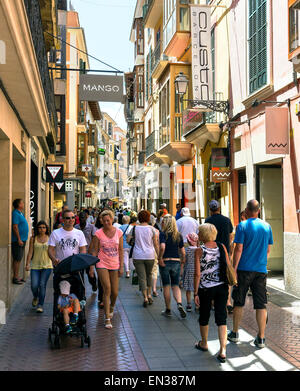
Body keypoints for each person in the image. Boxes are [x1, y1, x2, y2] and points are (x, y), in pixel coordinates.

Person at [228, 200, 273, 349]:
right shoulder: (267, 226)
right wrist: (261, 262)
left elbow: (239, 249)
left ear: (247, 210)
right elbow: (268, 249)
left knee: (239, 301)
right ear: (258, 211)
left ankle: (235, 333)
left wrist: (234, 268)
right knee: (261, 304)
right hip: (261, 270)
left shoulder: (242, 226)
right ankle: (261, 338)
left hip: (244, 269)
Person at [194, 223, 231, 363]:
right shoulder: (222, 247)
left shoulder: (199, 250)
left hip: (205, 288)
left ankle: (204, 343)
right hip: (221, 286)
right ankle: (223, 350)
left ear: (202, 235)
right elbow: (228, 265)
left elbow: (197, 274)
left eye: (199, 233)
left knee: (204, 315)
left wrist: (195, 293)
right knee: (221, 317)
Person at [90, 210, 123, 329]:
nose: (106, 222)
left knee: (115, 292)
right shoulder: (98, 233)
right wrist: (91, 267)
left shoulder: (119, 232)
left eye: (108, 220)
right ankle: (107, 318)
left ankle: (112, 307)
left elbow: (120, 250)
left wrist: (122, 266)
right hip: (101, 262)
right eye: (104, 221)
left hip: (114, 263)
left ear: (112, 220)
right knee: (107, 288)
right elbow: (94, 250)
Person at [128, 210, 159, 307]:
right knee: (149, 275)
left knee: (142, 277)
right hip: (150, 255)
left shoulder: (134, 228)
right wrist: (159, 256)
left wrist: (134, 242)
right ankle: (149, 294)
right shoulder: (152, 229)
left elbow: (128, 240)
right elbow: (155, 244)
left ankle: (145, 297)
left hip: (138, 256)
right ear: (148, 218)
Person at [158, 215, 187, 318]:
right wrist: (183, 261)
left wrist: (160, 257)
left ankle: (168, 309)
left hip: (165, 261)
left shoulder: (162, 234)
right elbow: (183, 251)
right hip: (176, 262)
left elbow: (162, 246)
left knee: (166, 285)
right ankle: (179, 303)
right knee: (175, 285)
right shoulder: (178, 235)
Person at [25, 221, 52, 313]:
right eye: (40, 227)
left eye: (44, 227)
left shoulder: (50, 238)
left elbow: (52, 252)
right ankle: (35, 296)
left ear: (46, 229)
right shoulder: (33, 239)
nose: (42, 229)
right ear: (37, 229)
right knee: (34, 285)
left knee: (42, 284)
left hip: (47, 266)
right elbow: (30, 252)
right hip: (35, 266)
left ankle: (40, 305)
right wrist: (27, 263)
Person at [75, 212, 98, 291]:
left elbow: (94, 239)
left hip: (88, 253)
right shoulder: (76, 227)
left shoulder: (91, 227)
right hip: (79, 253)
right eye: (81, 217)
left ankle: (94, 284)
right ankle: (82, 291)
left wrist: (92, 250)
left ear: (86, 217)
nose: (82, 219)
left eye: (83, 217)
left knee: (90, 273)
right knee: (80, 274)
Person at [12, 199, 29, 284]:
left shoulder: (20, 213)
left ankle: (18, 276)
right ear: (18, 205)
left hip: (23, 239)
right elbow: (15, 227)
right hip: (18, 240)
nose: (23, 203)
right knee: (17, 258)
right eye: (22, 202)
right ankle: (15, 277)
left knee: (19, 258)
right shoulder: (15, 213)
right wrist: (19, 239)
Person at [182, 232, 199, 312]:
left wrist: (182, 267)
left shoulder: (187, 250)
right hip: (197, 270)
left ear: (189, 241)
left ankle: (188, 304)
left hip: (189, 270)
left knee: (188, 288)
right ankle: (197, 305)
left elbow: (184, 260)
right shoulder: (199, 250)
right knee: (197, 288)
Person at [149, 214, 160, 297]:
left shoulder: (141, 229)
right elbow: (157, 243)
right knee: (154, 271)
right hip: (154, 252)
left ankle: (147, 291)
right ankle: (154, 289)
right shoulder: (156, 231)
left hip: (143, 253)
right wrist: (159, 254)